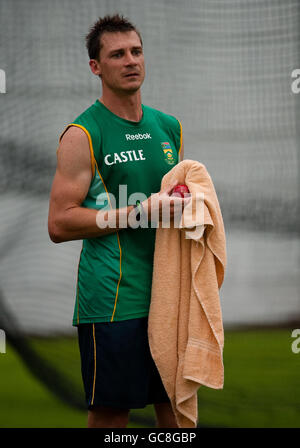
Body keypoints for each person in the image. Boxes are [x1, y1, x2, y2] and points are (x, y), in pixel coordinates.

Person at [48, 14, 189, 428]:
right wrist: (139, 212)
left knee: (178, 413)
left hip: (168, 294)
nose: (131, 61)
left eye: (136, 51)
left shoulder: (169, 127)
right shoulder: (82, 134)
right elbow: (59, 223)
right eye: (117, 54)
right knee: (111, 418)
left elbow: (176, 206)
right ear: (96, 66)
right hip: (112, 301)